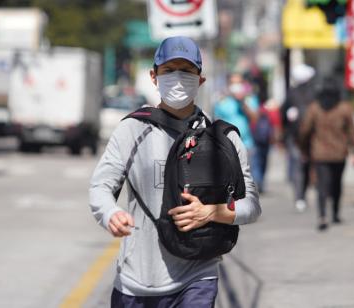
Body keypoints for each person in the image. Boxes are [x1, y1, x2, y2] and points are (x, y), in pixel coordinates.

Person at [89, 36, 261, 307]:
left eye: (186, 70)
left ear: (200, 79)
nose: (178, 78)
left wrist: (213, 212)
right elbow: (100, 187)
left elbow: (251, 205)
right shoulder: (131, 129)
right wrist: (110, 213)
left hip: (197, 278)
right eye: (169, 70)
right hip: (135, 282)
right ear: (154, 76)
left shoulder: (224, 139)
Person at [299, 77, 354, 231]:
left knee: (322, 185)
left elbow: (305, 130)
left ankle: (322, 215)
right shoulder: (344, 108)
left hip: (319, 153)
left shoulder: (315, 108)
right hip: (339, 153)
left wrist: (303, 148)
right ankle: (336, 213)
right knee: (337, 184)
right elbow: (351, 130)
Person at [281, 63, 316, 212]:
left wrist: (284, 131)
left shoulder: (292, 93)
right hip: (310, 136)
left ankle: (300, 197)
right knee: (306, 165)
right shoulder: (314, 94)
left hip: (294, 136)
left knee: (298, 166)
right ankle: (302, 195)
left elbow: (282, 113)